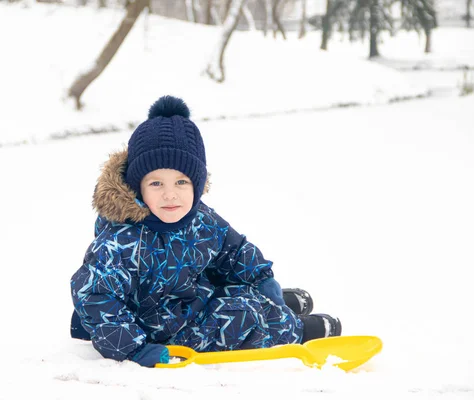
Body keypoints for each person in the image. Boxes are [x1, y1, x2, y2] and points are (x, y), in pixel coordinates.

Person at [69, 95, 341, 367]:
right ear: (136, 187)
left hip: (191, 301)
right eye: (155, 184)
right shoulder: (121, 242)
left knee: (241, 294)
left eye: (181, 182)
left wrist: (261, 280)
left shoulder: (199, 218)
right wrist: (135, 349)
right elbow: (95, 296)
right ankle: (293, 330)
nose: (170, 195)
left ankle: (272, 305)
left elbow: (233, 251)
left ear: (197, 185)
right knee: (240, 317)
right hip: (156, 328)